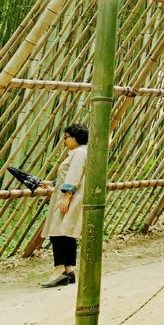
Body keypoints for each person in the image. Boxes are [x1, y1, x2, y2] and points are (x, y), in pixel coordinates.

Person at [40, 123, 89, 288]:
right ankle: (69, 271)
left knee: (57, 233)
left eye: (66, 137)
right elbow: (69, 175)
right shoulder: (81, 152)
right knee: (67, 232)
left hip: (70, 197)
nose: (64, 141)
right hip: (72, 195)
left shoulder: (79, 152)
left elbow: (74, 174)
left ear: (75, 137)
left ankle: (59, 269)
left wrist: (67, 196)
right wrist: (51, 183)